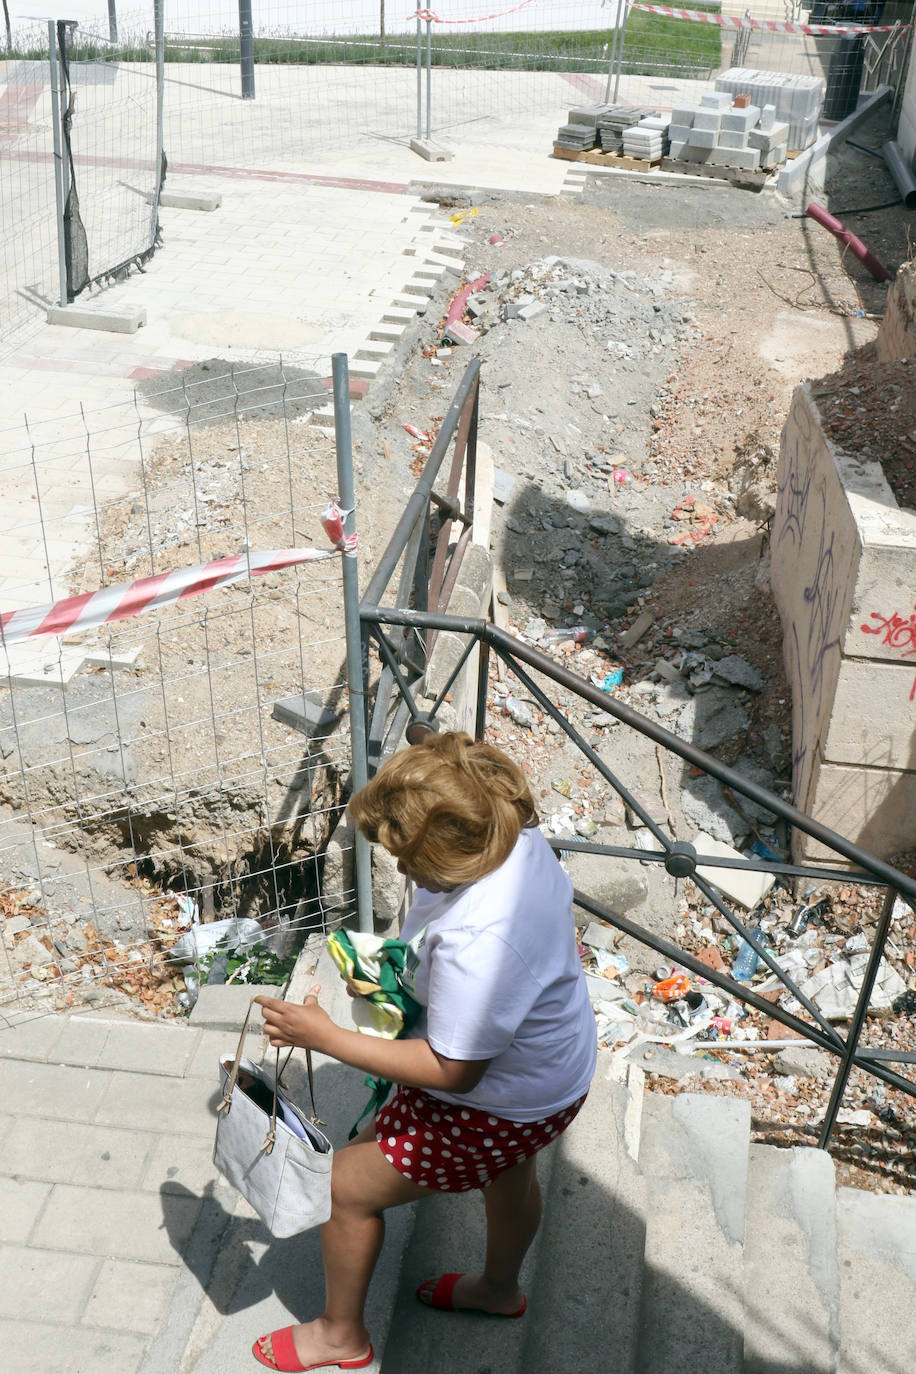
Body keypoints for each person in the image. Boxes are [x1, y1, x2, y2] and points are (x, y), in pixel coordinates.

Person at [253, 730, 598, 1373]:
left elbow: (454, 1070)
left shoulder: (481, 940)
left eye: (409, 860)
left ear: (450, 851)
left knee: (343, 1191)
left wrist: (328, 1039)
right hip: (553, 1076)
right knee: (510, 1168)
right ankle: (498, 1290)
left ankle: (339, 1337)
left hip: (490, 1105)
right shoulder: (509, 831)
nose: (401, 869)